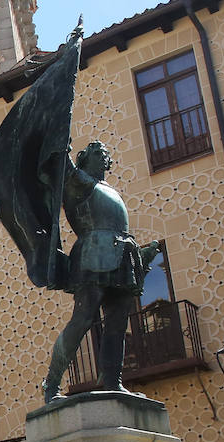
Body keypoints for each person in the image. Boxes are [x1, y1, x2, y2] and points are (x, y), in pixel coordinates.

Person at [41, 141, 160, 403]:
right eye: (96, 151)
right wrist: (60, 138)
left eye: (105, 153)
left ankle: (112, 381)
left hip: (121, 255)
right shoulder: (78, 181)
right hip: (92, 254)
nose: (103, 154)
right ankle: (51, 384)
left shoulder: (108, 189)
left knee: (117, 323)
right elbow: (61, 161)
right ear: (84, 159)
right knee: (82, 319)